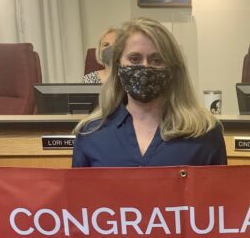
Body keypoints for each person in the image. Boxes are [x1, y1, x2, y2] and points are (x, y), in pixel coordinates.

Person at [72, 18, 226, 167]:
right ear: (118, 65)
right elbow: (79, 193)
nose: (144, 67)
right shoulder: (91, 133)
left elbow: (217, 192)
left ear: (172, 70)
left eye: (157, 60)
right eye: (134, 59)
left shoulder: (205, 132)